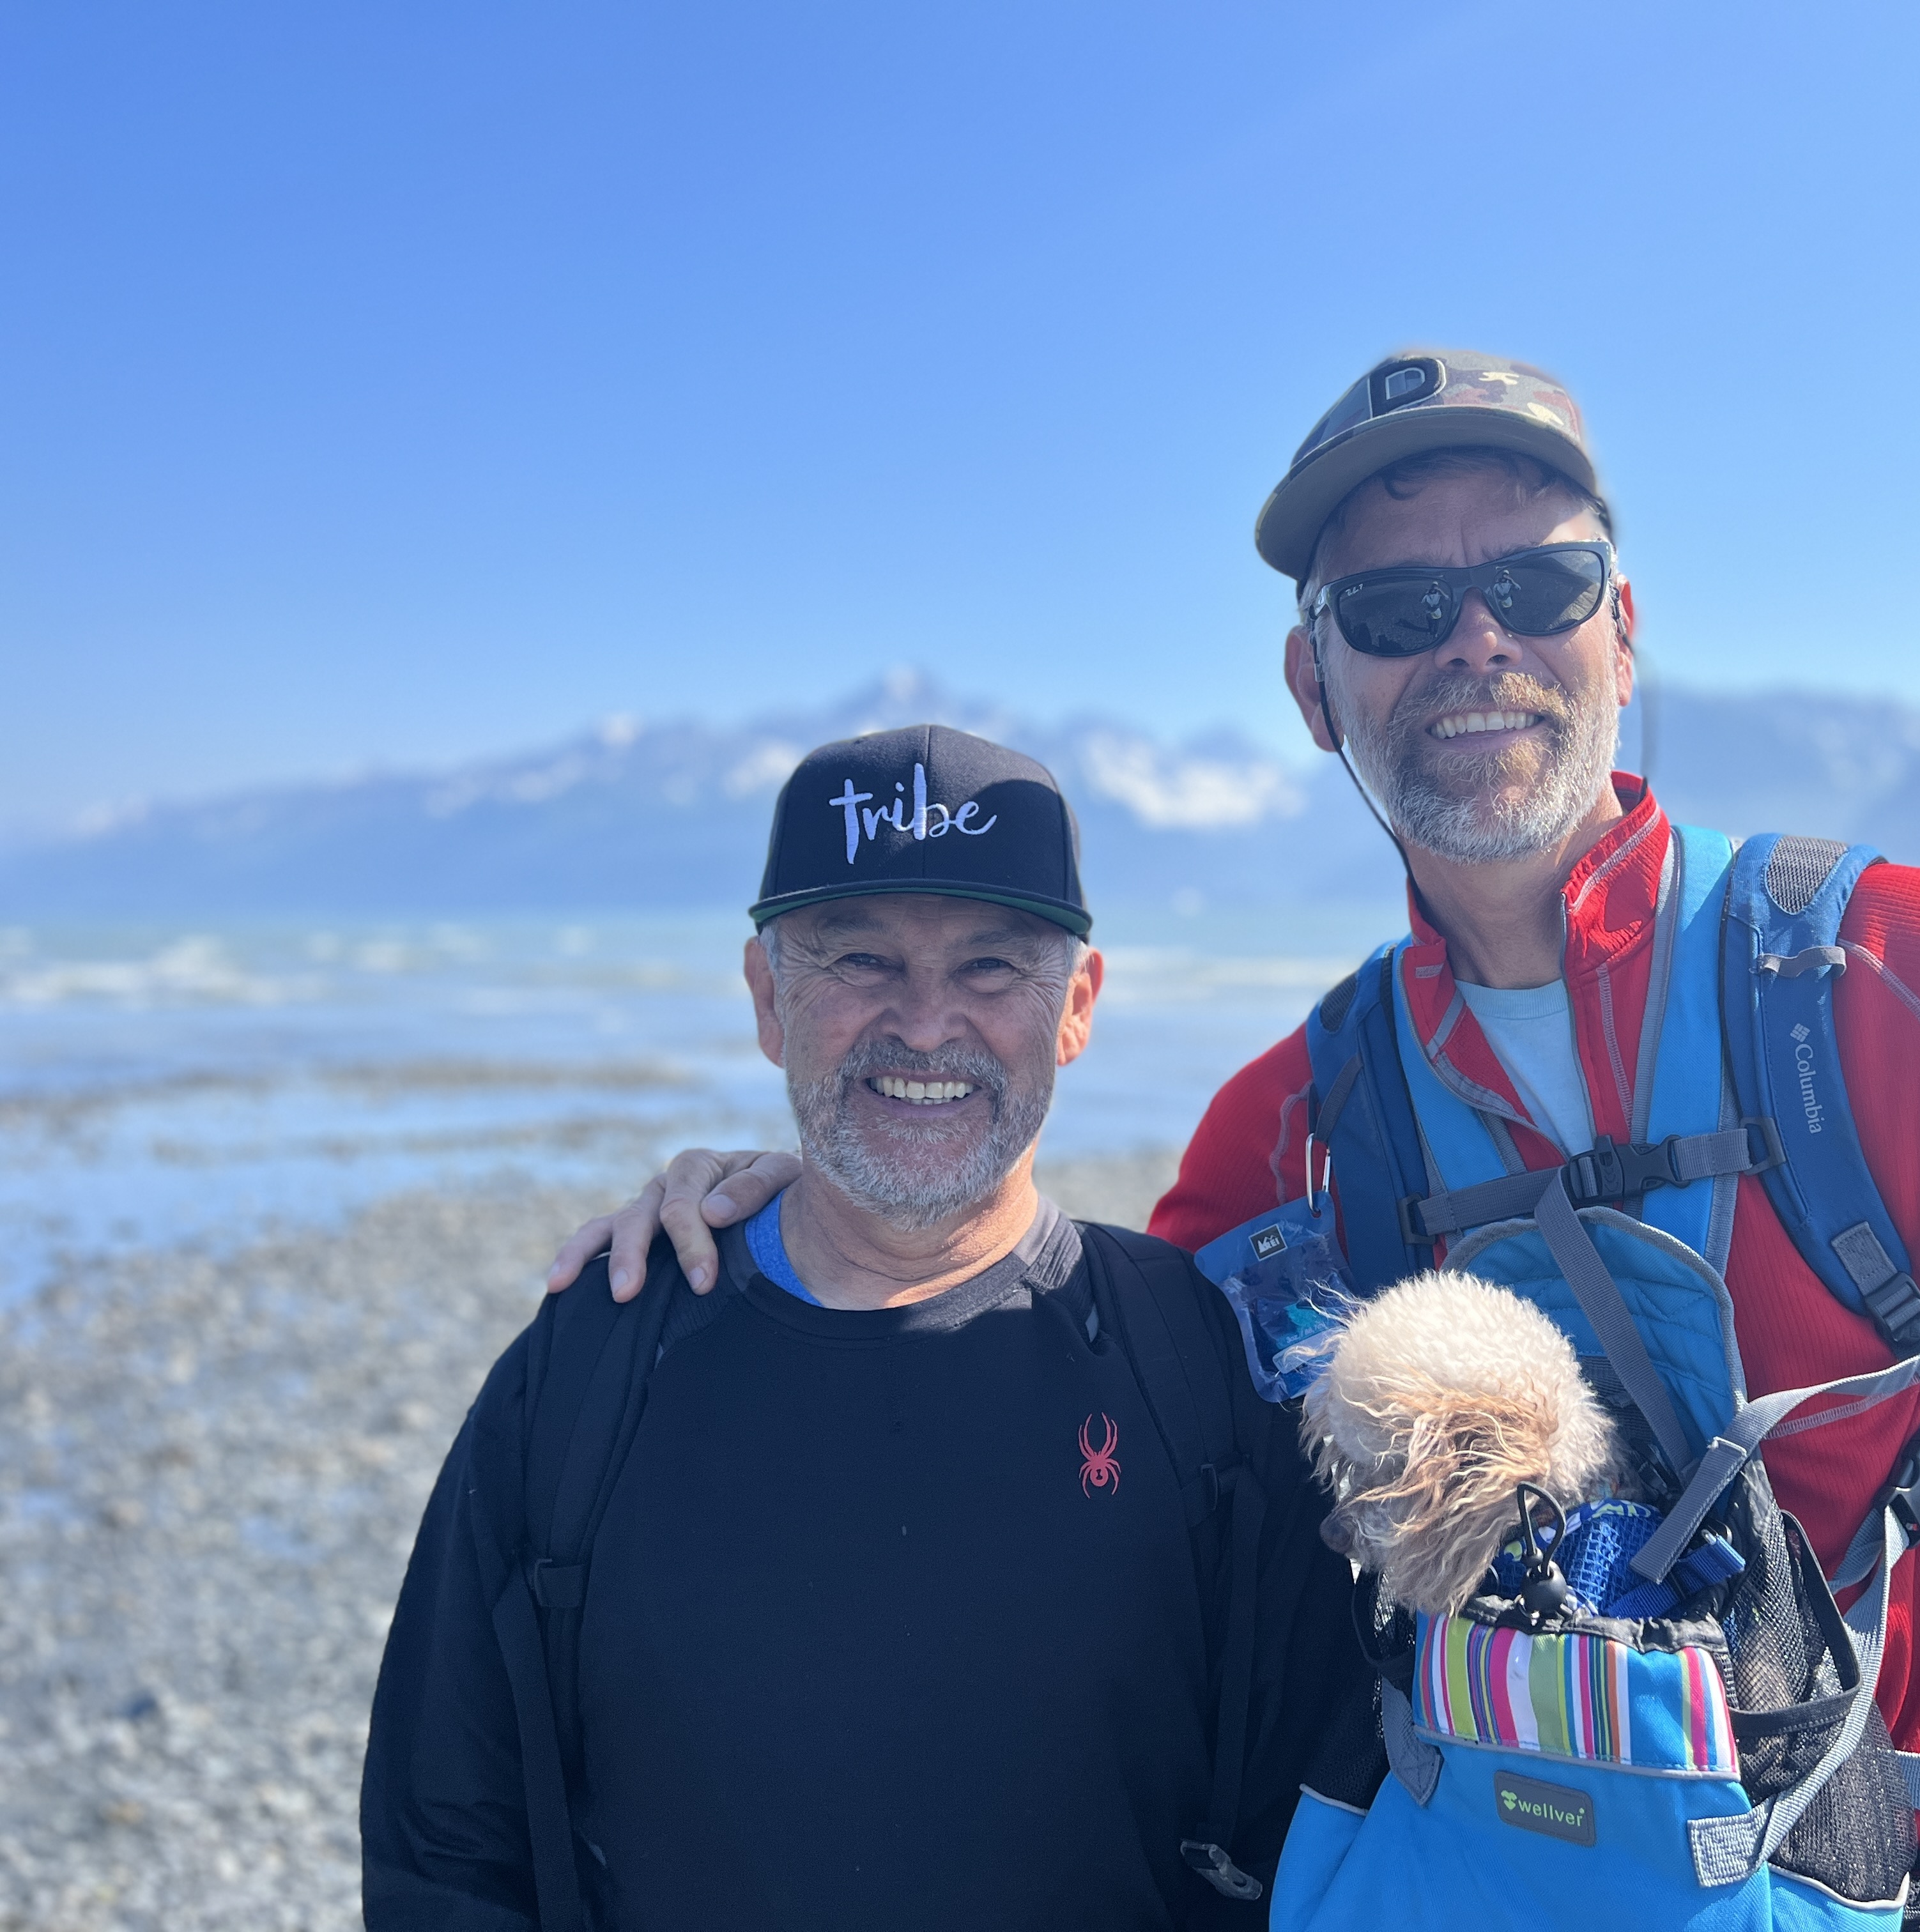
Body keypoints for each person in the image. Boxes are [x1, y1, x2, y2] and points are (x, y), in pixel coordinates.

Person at [558, 354, 1920, 1931]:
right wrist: (817, 1210)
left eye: (1535, 587)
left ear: (1623, 629)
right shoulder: (1296, 1121)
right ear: (1315, 684)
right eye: (1397, 608)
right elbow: (1086, 1442)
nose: (1475, 644)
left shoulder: (1904, 983)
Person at [366, 725, 1378, 1931]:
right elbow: (446, 1842)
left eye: (991, 967)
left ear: (1077, 1007)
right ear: (767, 998)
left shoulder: (1194, 1367)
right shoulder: (596, 1363)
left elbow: (1308, 1832)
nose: (926, 1023)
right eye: (860, 959)